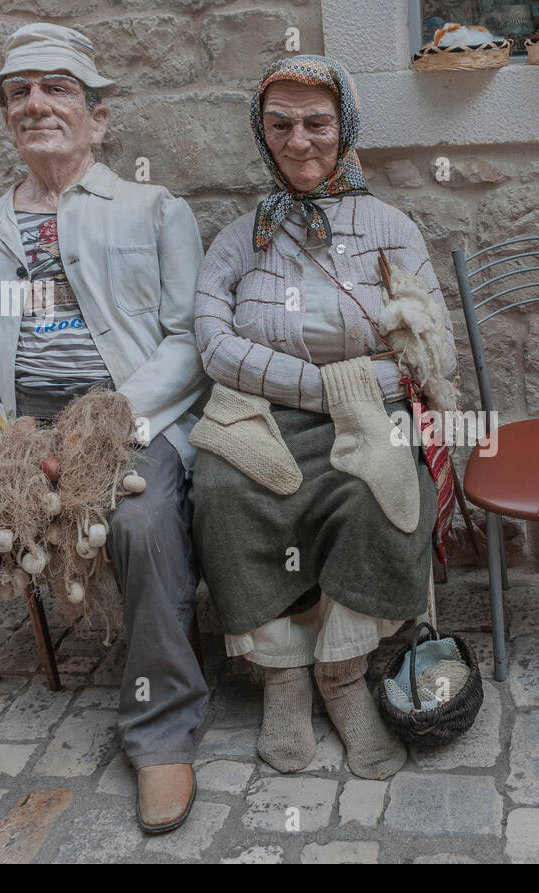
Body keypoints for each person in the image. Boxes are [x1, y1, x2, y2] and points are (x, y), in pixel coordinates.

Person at [0, 23, 210, 856]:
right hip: (15, 430)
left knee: (139, 523)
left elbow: (186, 340)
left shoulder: (153, 209)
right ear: (7, 123)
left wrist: (105, 426)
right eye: (18, 92)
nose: (35, 104)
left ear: (98, 119)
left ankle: (161, 731)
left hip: (131, 419)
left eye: (56, 88)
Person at [191, 55, 457, 780]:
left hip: (367, 414)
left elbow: (433, 352)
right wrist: (319, 384)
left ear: (346, 127)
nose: (300, 140)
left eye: (318, 122)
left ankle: (342, 675)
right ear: (261, 132)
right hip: (255, 416)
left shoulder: (390, 228)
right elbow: (213, 344)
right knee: (220, 493)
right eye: (280, 124)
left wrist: (353, 386)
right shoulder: (238, 238)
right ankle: (281, 677)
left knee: (381, 493)